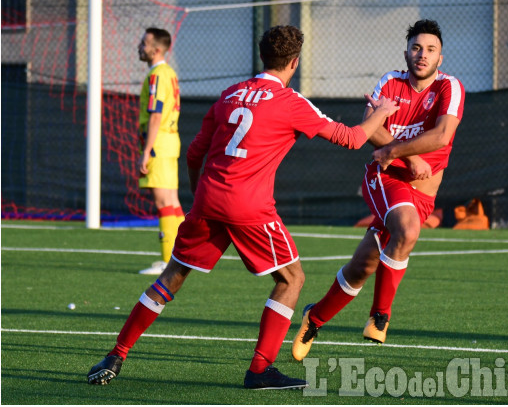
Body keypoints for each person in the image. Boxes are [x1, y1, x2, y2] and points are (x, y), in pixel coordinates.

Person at [87, 25, 399, 389]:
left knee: (172, 276)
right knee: (291, 279)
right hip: (249, 207)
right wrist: (382, 112)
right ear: (294, 63)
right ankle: (259, 369)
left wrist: (197, 195)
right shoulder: (291, 102)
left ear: (261, 55)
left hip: (207, 201)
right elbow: (351, 138)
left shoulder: (229, 95)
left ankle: (117, 353)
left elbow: (194, 153)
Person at [292, 19, 465, 360]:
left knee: (363, 266)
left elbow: (442, 135)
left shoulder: (450, 88)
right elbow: (370, 128)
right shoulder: (390, 81)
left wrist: (397, 149)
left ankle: (315, 317)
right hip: (386, 180)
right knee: (409, 229)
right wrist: (408, 158)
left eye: (430, 50)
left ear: (440, 58)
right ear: (406, 52)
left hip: (423, 195)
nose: (422, 55)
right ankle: (379, 316)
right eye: (416, 48)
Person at [136, 27, 185, 275]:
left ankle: (169, 263)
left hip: (159, 143)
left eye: (144, 43)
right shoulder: (169, 73)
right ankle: (180, 257)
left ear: (156, 49)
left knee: (164, 202)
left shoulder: (157, 75)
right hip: (170, 140)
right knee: (173, 202)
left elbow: (156, 114)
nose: (139, 47)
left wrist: (146, 151)